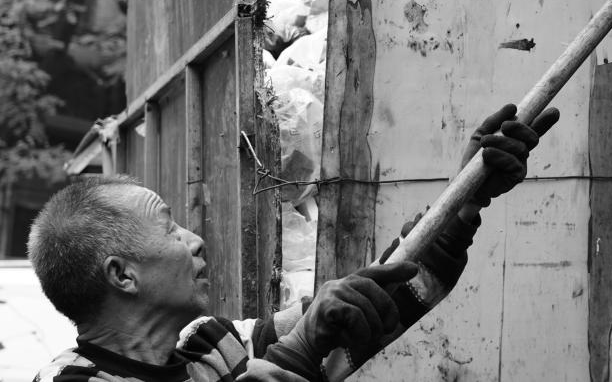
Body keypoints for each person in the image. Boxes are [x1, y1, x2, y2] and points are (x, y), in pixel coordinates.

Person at [28, 103, 559, 382]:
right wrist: (299, 352)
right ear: (122, 275)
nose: (195, 241)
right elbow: (299, 351)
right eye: (169, 228)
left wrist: (462, 202)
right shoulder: (69, 381)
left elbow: (383, 302)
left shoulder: (214, 348)